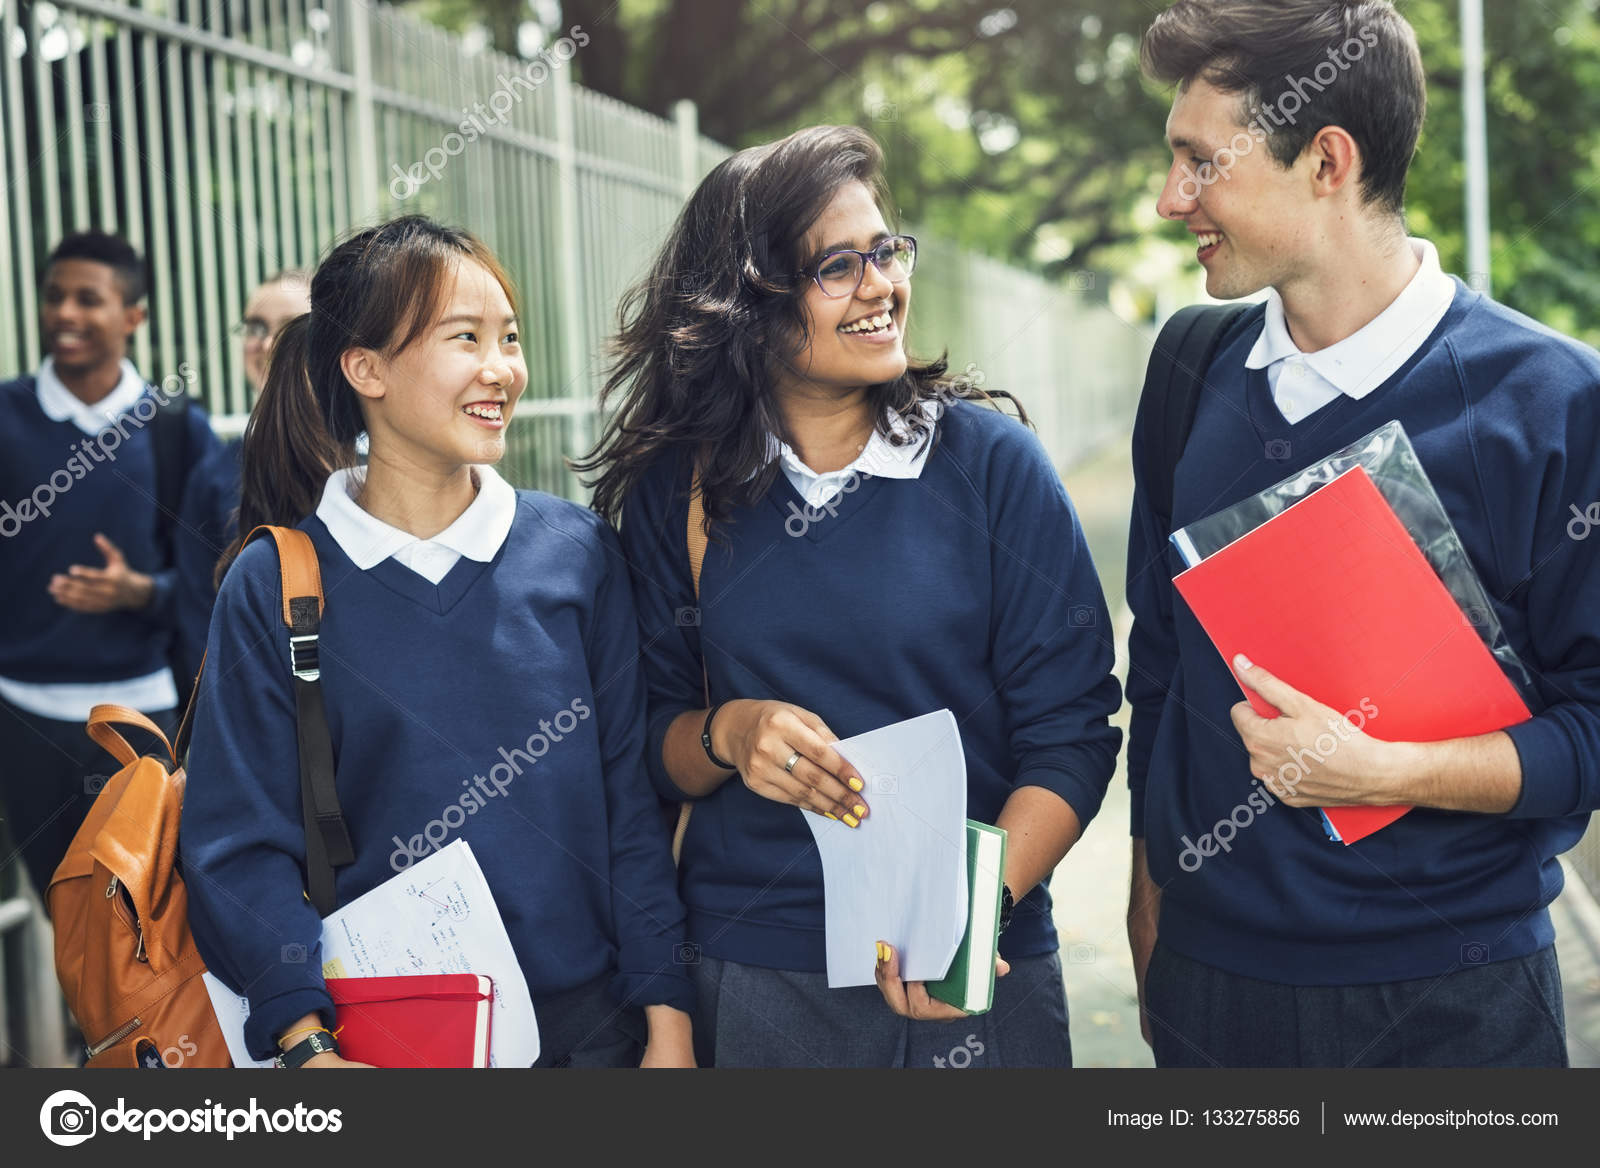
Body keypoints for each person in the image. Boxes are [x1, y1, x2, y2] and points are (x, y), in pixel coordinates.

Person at [581, 125, 1122, 1067]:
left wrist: (971, 907)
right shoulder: (679, 491)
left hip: (977, 975)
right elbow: (653, 742)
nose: (882, 286)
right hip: (761, 980)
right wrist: (730, 733)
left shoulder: (993, 470)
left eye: (886, 251)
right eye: (838, 266)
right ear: (749, 305)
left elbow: (1072, 734)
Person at [1126, 0, 1600, 1067]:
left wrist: (1387, 771)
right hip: (1211, 990)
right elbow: (1159, 666)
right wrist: (1148, 895)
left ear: (1326, 159)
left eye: (1199, 163)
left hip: (1458, 1004)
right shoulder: (1189, 370)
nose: (1169, 201)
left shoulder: (1557, 405)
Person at [180, 215, 696, 1068]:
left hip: (590, 1034)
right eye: (467, 339)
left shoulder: (577, 556)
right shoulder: (273, 584)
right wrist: (309, 1048)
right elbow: (239, 847)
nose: (503, 369)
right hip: (377, 1047)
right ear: (367, 368)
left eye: (510, 338)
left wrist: (667, 1023)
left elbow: (629, 812)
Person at [0, 230, 218, 900]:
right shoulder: (5, 416)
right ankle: (80, 1014)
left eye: (88, 300)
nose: (65, 313)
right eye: (54, 296)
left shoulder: (175, 426)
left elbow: (217, 579)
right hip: (23, 713)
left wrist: (142, 592)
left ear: (134, 317)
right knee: (60, 911)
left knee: (144, 908)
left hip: (140, 713)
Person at [172, 270, 312, 685]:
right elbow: (199, 613)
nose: (268, 344)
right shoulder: (215, 475)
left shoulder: (377, 460)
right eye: (255, 327)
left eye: (289, 326)